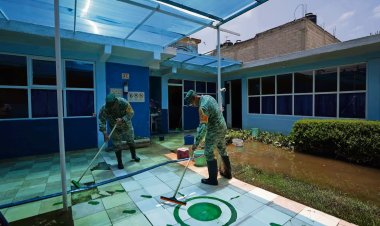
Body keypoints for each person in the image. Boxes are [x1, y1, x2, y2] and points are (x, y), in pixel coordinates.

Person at [184, 89, 232, 186]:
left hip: (214, 129)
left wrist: (195, 144)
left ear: (194, 99)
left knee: (208, 152)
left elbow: (203, 128)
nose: (193, 106)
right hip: (223, 127)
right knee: (222, 149)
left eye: (191, 104)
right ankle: (228, 173)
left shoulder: (202, 107)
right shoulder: (208, 97)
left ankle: (212, 180)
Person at [99, 93, 140, 169]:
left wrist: (122, 119)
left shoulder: (123, 103)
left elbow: (131, 113)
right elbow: (102, 120)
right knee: (117, 145)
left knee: (130, 140)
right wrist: (104, 133)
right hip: (114, 128)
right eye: (109, 107)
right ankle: (120, 162)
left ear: (116, 102)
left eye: (112, 106)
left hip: (126, 125)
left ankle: (134, 156)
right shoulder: (105, 108)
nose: (110, 108)